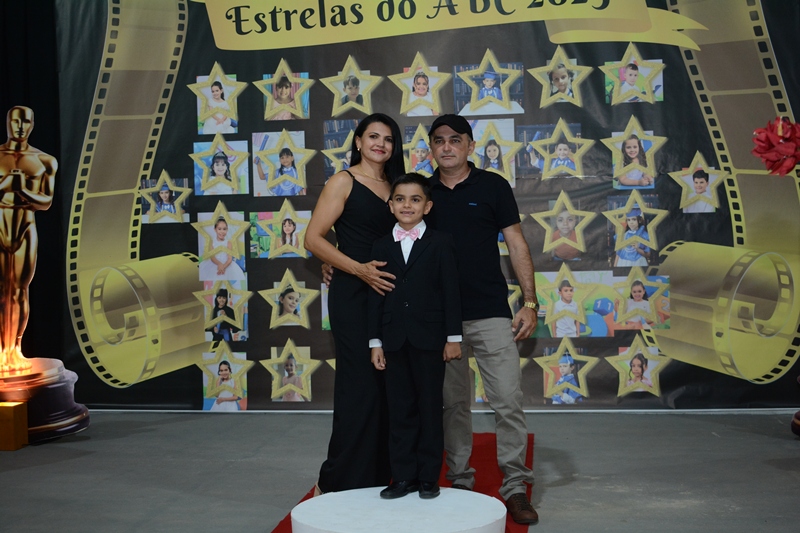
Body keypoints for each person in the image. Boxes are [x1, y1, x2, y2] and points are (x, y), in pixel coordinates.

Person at [426, 115, 539, 525]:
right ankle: (460, 481)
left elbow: (516, 242)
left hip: (491, 312)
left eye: (455, 140)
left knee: (507, 400)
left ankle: (515, 486)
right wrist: (337, 262)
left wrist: (530, 301)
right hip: (442, 319)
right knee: (453, 404)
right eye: (439, 140)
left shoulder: (493, 186)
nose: (447, 147)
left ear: (470, 146)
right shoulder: (422, 192)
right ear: (431, 148)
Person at [305, 113, 406, 494]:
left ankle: (377, 475)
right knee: (359, 386)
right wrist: (356, 269)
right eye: (373, 136)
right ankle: (336, 480)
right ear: (359, 142)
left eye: (388, 139)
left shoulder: (398, 186)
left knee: (387, 386)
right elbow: (313, 238)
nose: (381, 144)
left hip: (391, 295)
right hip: (353, 295)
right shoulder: (342, 181)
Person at [367, 173, 463, 500]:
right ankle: (403, 477)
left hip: (431, 339)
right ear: (390, 205)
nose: (407, 205)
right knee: (400, 409)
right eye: (400, 199)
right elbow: (375, 297)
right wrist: (375, 342)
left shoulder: (441, 242)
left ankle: (428, 477)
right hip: (393, 340)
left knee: (430, 408)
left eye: (415, 199)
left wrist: (453, 337)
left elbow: (451, 291)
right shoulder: (380, 245)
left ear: (428, 206)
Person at [0, 106, 56, 374]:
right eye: (16, 121)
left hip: (25, 225)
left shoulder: (45, 160)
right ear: (8, 122)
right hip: (1, 222)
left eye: (25, 122)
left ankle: (15, 349)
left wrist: (21, 188)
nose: (20, 127)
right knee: (3, 290)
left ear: (32, 125)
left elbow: (46, 202)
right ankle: (3, 351)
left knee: (20, 290)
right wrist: (6, 186)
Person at [199, 216, 245, 281]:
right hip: (215, 263)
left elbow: (229, 259)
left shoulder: (228, 243)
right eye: (219, 229)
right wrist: (219, 264)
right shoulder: (211, 242)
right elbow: (212, 257)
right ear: (215, 229)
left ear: (227, 230)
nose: (222, 231)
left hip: (226, 264)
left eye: (224, 229)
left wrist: (223, 267)